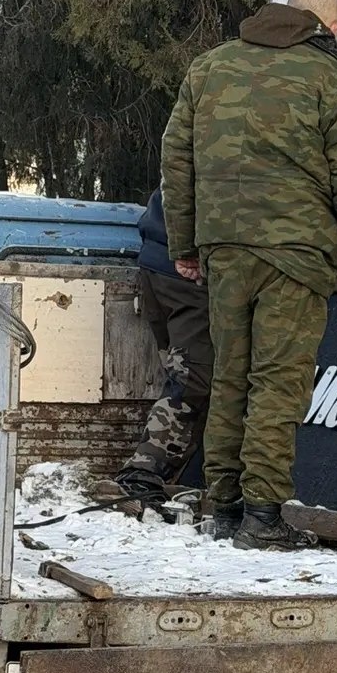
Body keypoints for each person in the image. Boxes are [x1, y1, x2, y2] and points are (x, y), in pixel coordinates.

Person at [160, 0, 337, 550]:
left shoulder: (209, 67)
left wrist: (186, 245)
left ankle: (224, 507)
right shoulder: (332, 78)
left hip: (224, 250)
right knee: (277, 381)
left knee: (228, 376)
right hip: (294, 251)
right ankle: (263, 518)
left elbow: (177, 158)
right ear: (331, 26)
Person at [115, 185, 212, 509]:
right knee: (192, 383)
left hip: (158, 263)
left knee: (180, 375)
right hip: (187, 273)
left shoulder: (196, 138)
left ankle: (153, 478)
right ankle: (141, 476)